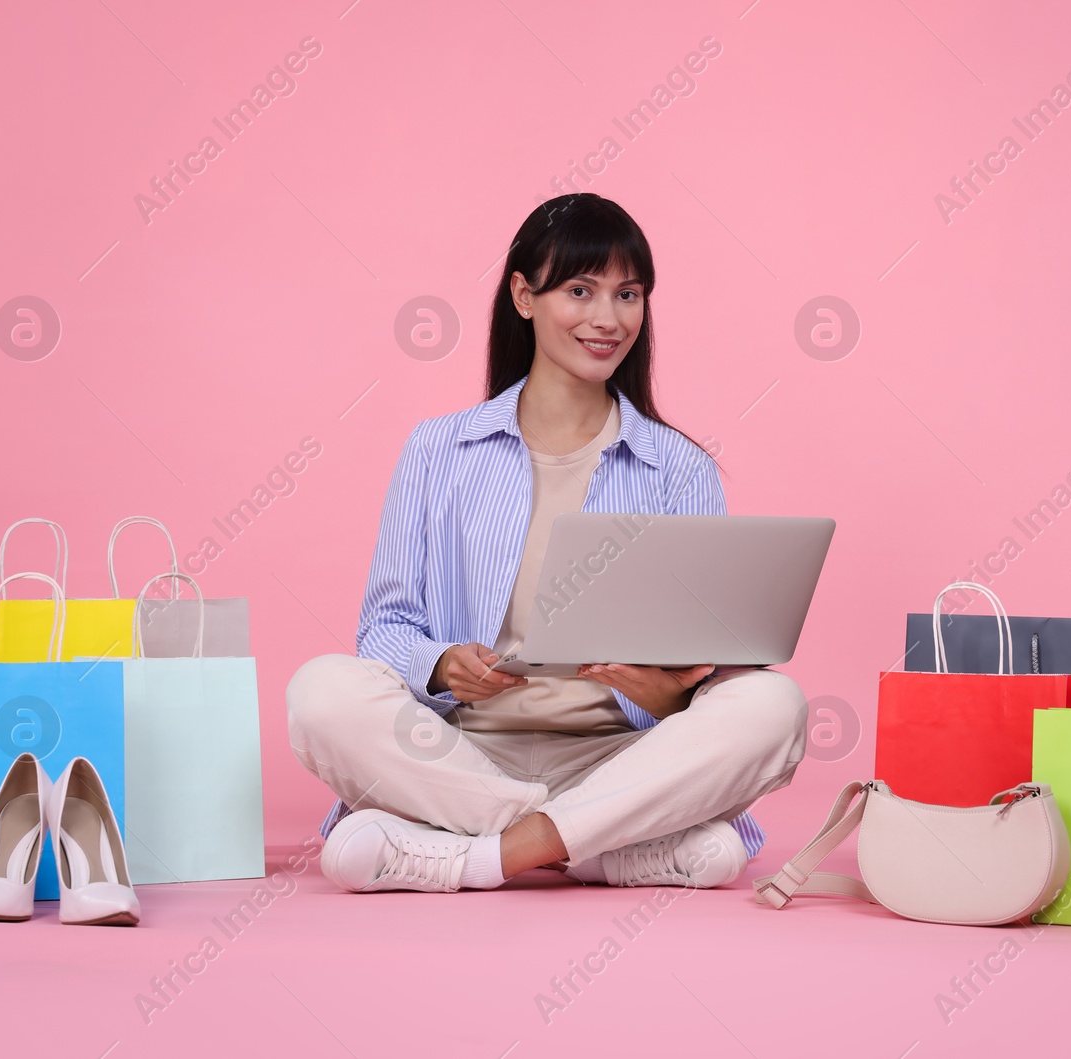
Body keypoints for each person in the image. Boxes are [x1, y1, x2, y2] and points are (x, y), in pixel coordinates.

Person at [286, 193, 808, 894]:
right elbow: (383, 632)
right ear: (524, 296)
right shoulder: (438, 450)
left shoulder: (679, 468)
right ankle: (597, 846)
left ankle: (482, 854)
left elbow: (704, 685)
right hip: (461, 753)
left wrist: (659, 690)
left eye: (628, 294)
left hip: (622, 757)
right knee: (321, 692)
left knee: (774, 707)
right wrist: (441, 664)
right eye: (580, 289)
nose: (607, 318)